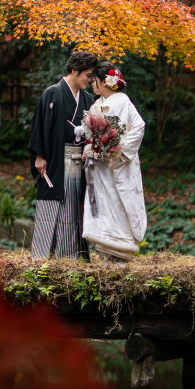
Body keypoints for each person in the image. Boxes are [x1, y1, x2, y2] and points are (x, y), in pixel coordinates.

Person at [28, 50, 99, 259]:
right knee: (51, 205)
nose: (89, 79)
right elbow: (40, 126)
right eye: (87, 75)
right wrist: (39, 156)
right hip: (56, 160)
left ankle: (69, 257)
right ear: (74, 71)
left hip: (79, 161)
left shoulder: (87, 99)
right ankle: (41, 257)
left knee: (73, 208)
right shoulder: (52, 93)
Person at [81, 62, 147, 261]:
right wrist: (90, 148)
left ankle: (122, 250)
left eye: (95, 80)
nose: (92, 84)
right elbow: (89, 133)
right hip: (101, 167)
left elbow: (139, 127)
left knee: (119, 203)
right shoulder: (96, 104)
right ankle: (106, 253)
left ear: (105, 82)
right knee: (103, 203)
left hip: (119, 164)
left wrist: (120, 150)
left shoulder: (123, 101)